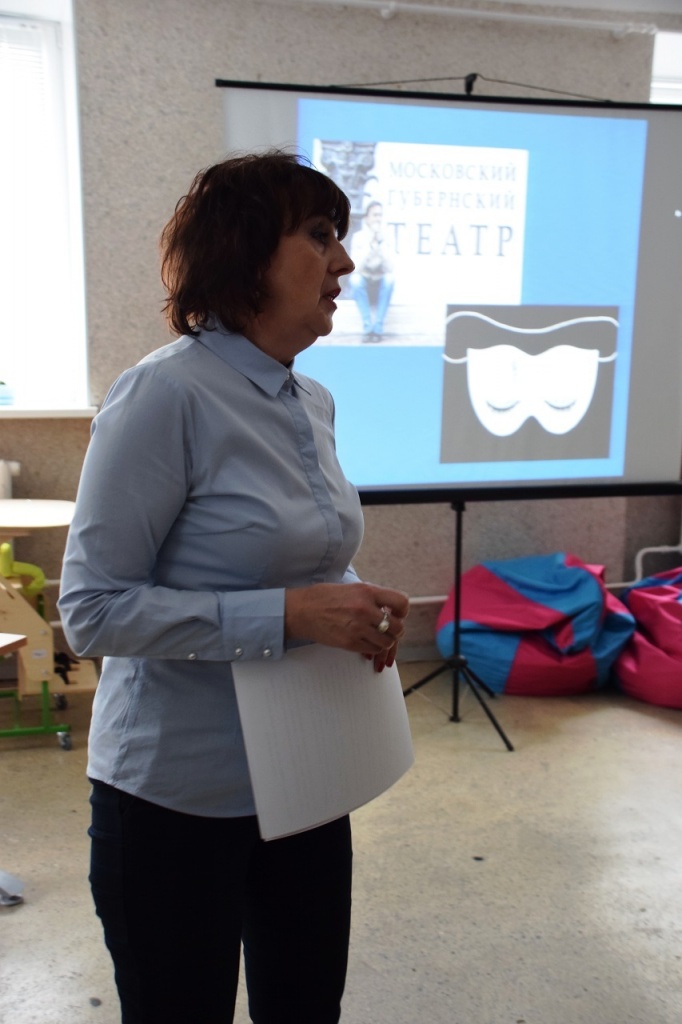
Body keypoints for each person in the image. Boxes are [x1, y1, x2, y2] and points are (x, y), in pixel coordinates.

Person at [58, 151, 409, 1024]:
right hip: (175, 795)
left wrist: (349, 603)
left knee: (306, 1006)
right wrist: (290, 615)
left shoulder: (310, 399)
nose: (344, 263)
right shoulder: (162, 395)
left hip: (306, 775)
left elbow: (300, 558)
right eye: (319, 236)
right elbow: (92, 612)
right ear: (246, 254)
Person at [350, 200, 395, 342]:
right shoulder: (358, 237)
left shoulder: (387, 237)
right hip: (365, 279)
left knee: (390, 280)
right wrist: (370, 244)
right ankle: (368, 327)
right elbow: (356, 268)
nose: (378, 219)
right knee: (354, 280)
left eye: (380, 215)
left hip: (380, 281)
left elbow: (390, 268)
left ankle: (378, 328)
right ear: (367, 218)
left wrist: (380, 245)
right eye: (375, 215)